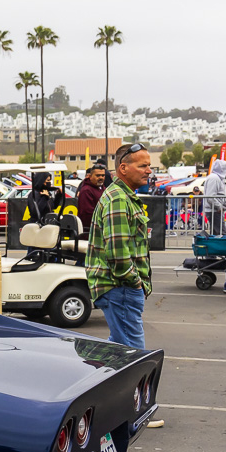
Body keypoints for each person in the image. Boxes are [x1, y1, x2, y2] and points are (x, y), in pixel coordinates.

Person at [85, 143, 153, 350]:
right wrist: (136, 283)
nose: (149, 171)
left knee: (118, 348)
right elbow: (118, 256)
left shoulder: (121, 196)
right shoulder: (118, 199)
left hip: (120, 288)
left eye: (149, 166)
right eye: (143, 166)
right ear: (123, 168)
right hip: (121, 287)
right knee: (133, 353)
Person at [202, 159, 226, 235]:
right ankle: (222, 247)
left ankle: (214, 247)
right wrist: (219, 206)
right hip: (214, 211)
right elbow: (210, 196)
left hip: (215, 210)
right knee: (221, 233)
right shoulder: (214, 178)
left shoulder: (216, 178)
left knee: (216, 233)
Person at [76, 162, 106, 232]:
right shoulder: (86, 190)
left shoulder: (102, 188)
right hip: (91, 231)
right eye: (98, 175)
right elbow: (87, 214)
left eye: (103, 175)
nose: (101, 178)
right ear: (90, 176)